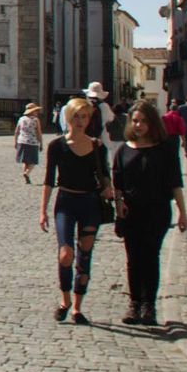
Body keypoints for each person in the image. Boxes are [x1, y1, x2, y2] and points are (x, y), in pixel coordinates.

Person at [112, 100, 187, 327]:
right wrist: (118, 207)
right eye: (135, 121)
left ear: (152, 123)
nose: (138, 125)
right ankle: (134, 304)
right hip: (131, 212)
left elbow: (176, 183)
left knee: (150, 256)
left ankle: (149, 306)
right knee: (133, 259)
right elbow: (117, 185)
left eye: (143, 121)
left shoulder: (164, 150)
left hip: (157, 211)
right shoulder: (123, 150)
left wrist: (182, 213)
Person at [39, 97, 114, 326]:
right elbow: (49, 180)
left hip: (89, 203)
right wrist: (42, 211)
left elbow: (104, 175)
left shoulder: (96, 146)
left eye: (85, 117)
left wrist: (109, 187)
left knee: (85, 253)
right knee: (65, 254)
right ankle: (64, 301)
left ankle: (77, 308)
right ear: (69, 118)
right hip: (66, 201)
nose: (81, 121)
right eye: (77, 117)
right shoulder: (57, 146)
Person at [15, 103, 43, 185]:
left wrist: (15, 142)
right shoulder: (35, 120)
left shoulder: (21, 119)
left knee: (25, 161)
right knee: (33, 161)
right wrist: (41, 143)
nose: (37, 112)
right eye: (35, 111)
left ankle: (26, 178)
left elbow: (16, 131)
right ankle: (27, 173)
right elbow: (39, 132)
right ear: (32, 112)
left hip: (22, 141)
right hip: (32, 142)